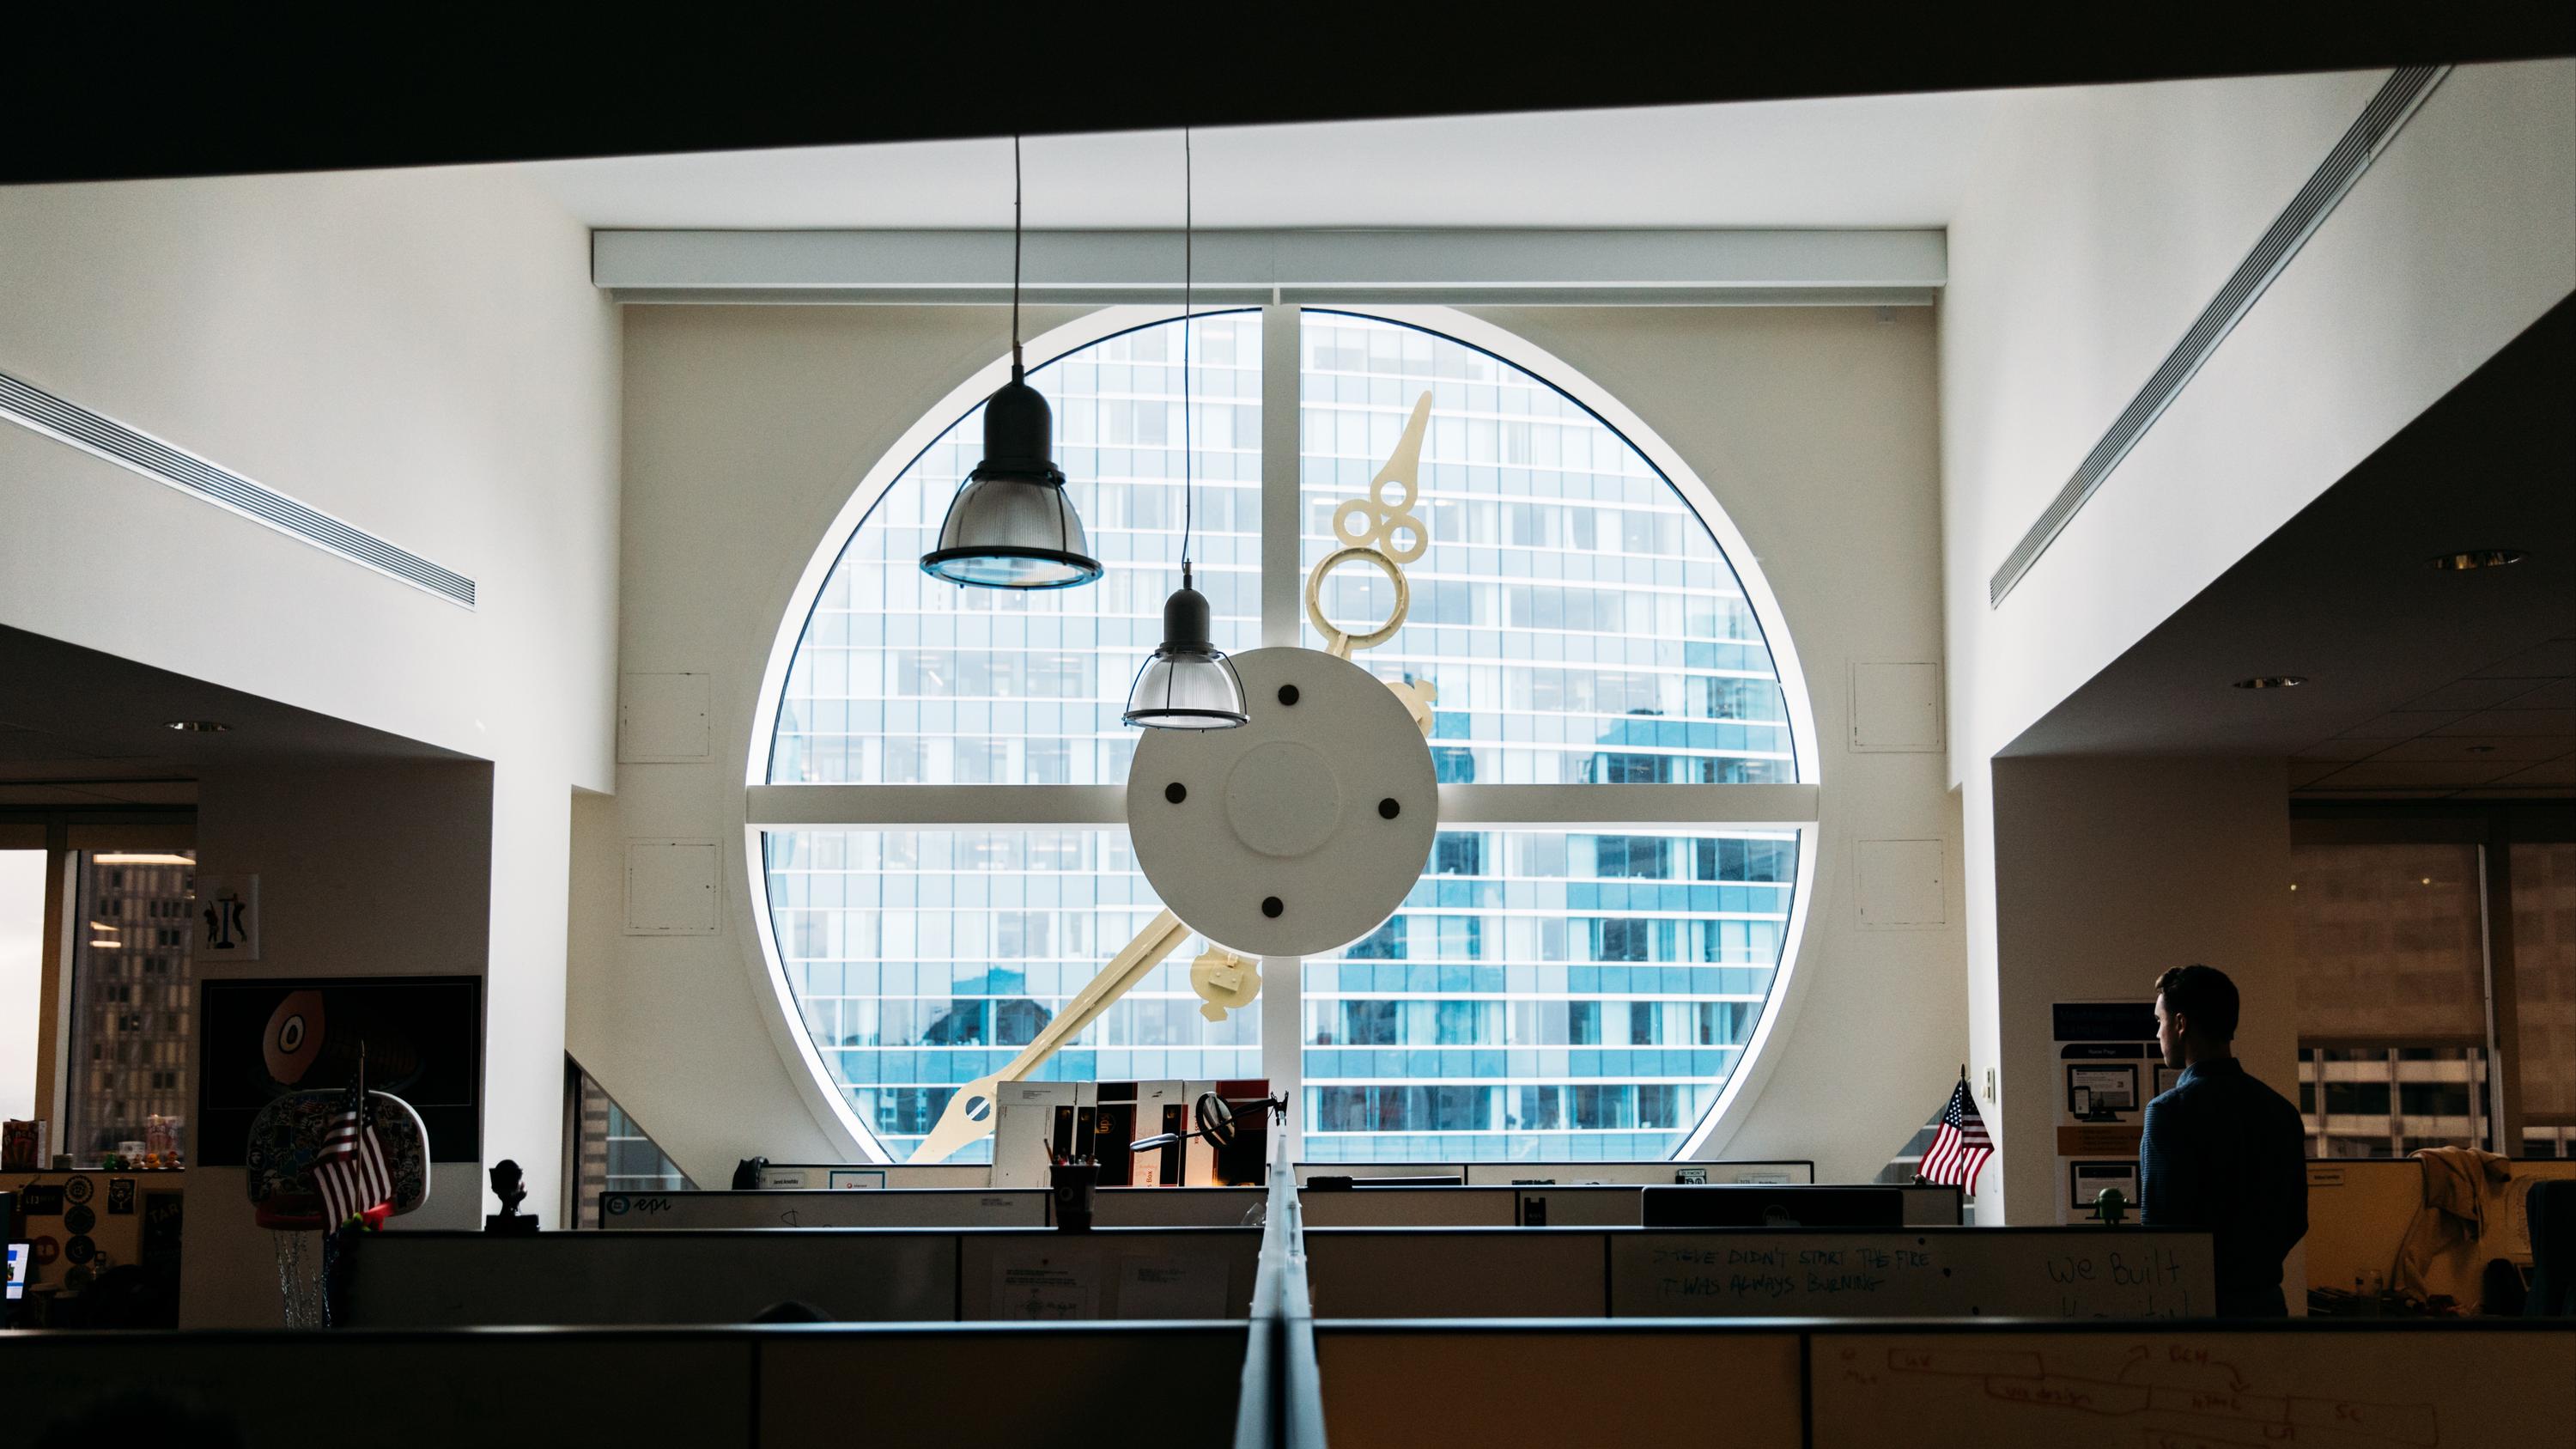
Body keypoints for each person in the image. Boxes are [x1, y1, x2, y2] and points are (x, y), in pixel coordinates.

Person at [2139, 963, 2306, 1317]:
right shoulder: (2282, 1111)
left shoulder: (2169, 1112)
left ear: (2181, 1024)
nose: (2157, 1034)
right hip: (2267, 1305)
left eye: (2160, 1022)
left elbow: (2158, 1232)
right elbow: (2296, 1219)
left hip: (2196, 1311)